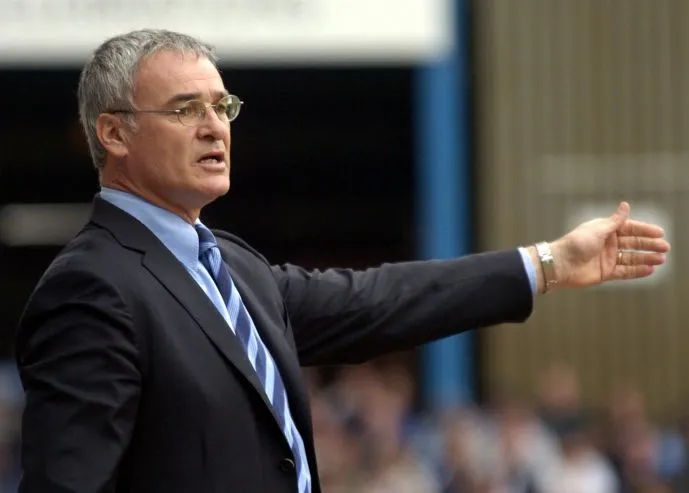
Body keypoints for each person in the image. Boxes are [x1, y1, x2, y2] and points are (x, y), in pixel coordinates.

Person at [13, 29, 670, 493]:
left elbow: (375, 300)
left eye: (222, 106)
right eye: (186, 109)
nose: (215, 126)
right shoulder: (92, 287)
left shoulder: (231, 266)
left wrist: (548, 263)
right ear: (114, 132)